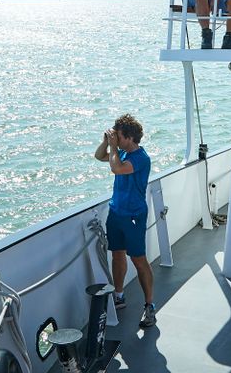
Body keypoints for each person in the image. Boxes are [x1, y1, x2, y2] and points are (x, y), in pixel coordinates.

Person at [93, 114, 156, 329]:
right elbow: (98, 156)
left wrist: (113, 147)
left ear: (129, 138)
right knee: (117, 254)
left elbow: (116, 168)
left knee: (139, 260)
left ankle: (149, 306)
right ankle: (119, 296)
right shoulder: (119, 152)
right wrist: (106, 142)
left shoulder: (140, 158)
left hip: (133, 216)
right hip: (116, 213)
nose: (116, 139)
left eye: (118, 136)